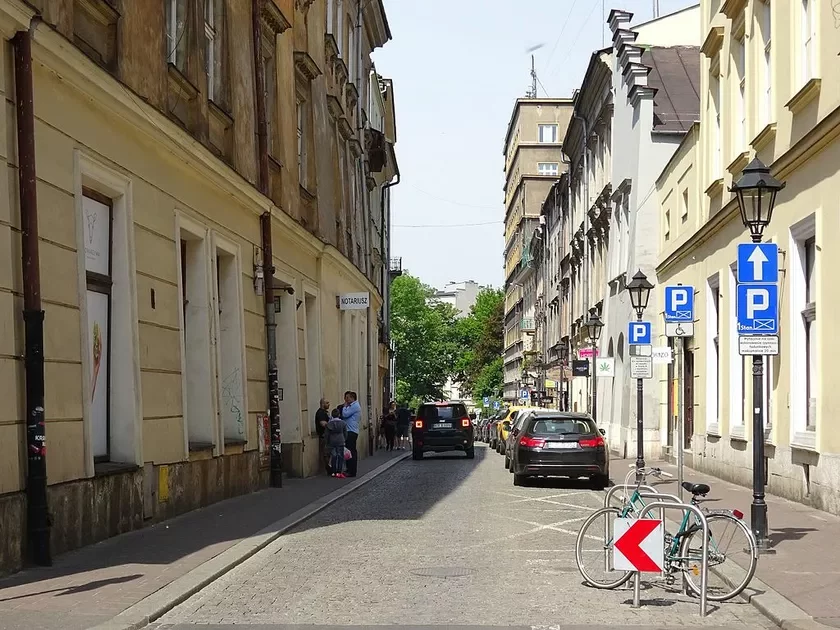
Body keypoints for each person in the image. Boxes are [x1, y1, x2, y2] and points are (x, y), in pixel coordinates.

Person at [341, 391, 361, 477]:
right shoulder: (352, 406)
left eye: (347, 397)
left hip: (351, 431)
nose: (345, 399)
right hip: (349, 431)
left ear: (352, 398)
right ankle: (349, 469)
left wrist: (344, 406)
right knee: (348, 451)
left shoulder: (354, 406)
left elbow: (345, 414)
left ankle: (352, 471)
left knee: (351, 451)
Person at [325, 410, 348, 479]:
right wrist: (344, 439)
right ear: (339, 415)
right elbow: (345, 433)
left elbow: (327, 434)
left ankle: (333, 471)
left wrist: (327, 442)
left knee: (334, 456)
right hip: (340, 440)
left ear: (332, 415)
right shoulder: (343, 423)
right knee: (340, 456)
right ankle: (339, 471)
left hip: (332, 441)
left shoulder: (329, 424)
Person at [315, 398, 331, 475]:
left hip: (326, 435)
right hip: (323, 435)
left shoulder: (325, 412)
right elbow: (323, 424)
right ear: (322, 404)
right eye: (327, 403)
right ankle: (328, 469)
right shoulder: (320, 413)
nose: (329, 404)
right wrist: (332, 425)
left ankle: (329, 468)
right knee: (326, 453)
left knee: (328, 453)